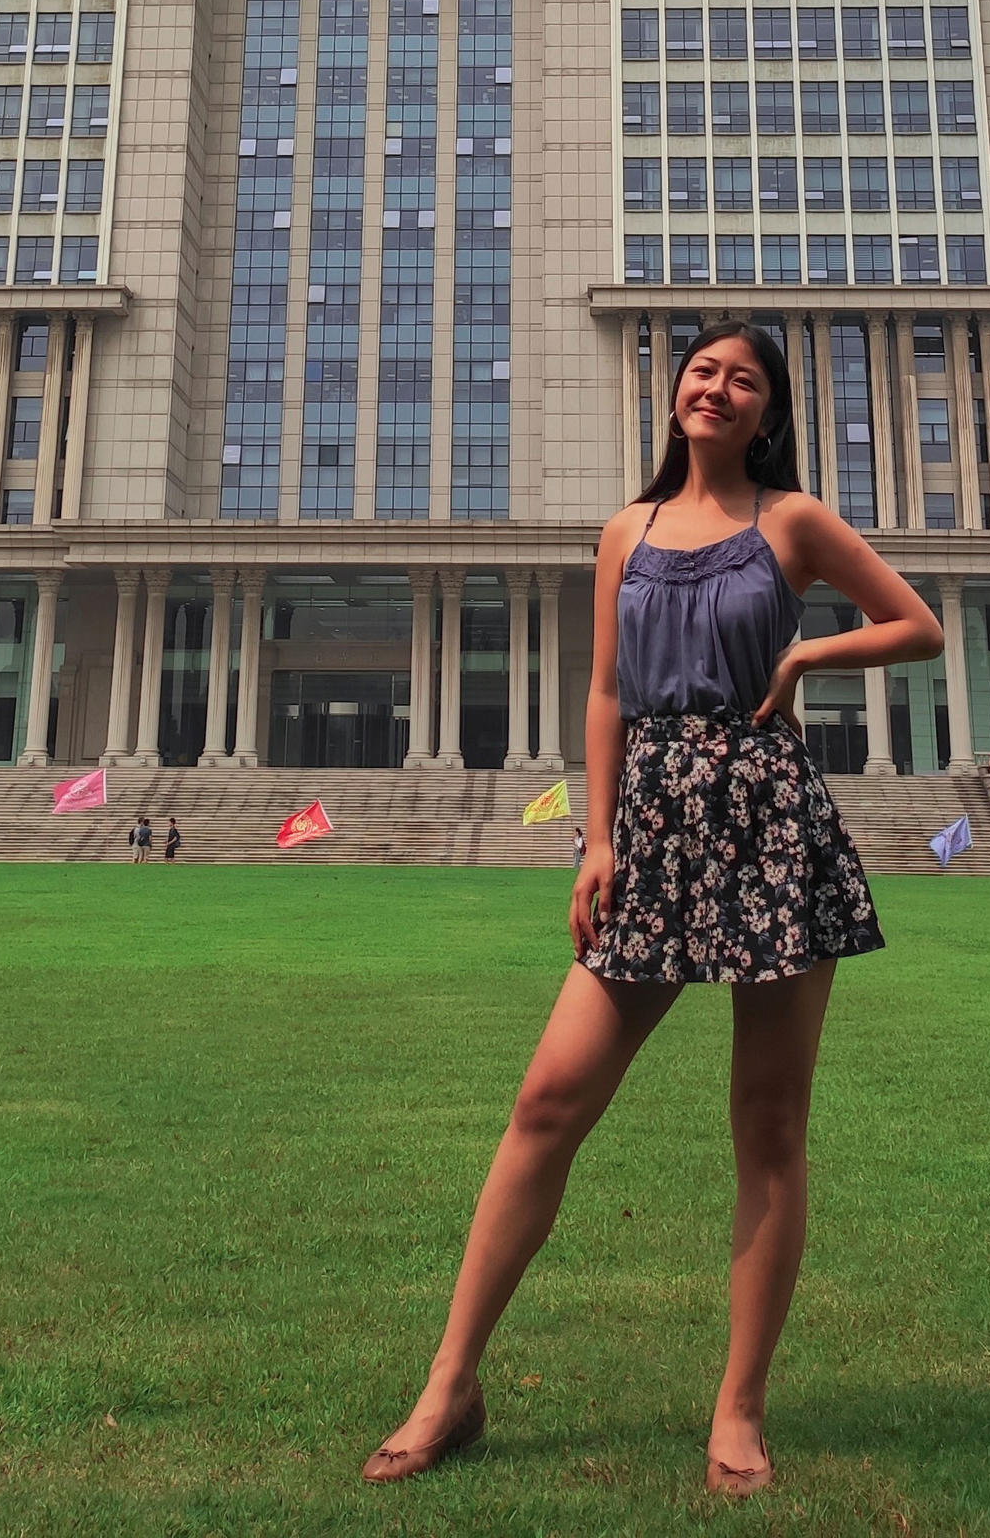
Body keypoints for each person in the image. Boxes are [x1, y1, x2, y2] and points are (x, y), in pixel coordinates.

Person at [362, 320, 944, 1498]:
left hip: (767, 821)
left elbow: (916, 625)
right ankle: (449, 1386)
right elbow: (606, 689)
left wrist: (800, 665)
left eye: (742, 379)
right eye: (701, 370)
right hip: (652, 830)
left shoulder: (791, 521)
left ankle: (736, 1411)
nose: (716, 388)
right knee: (546, 1099)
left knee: (768, 1125)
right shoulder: (623, 531)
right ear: (673, 392)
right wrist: (595, 838)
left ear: (765, 412)